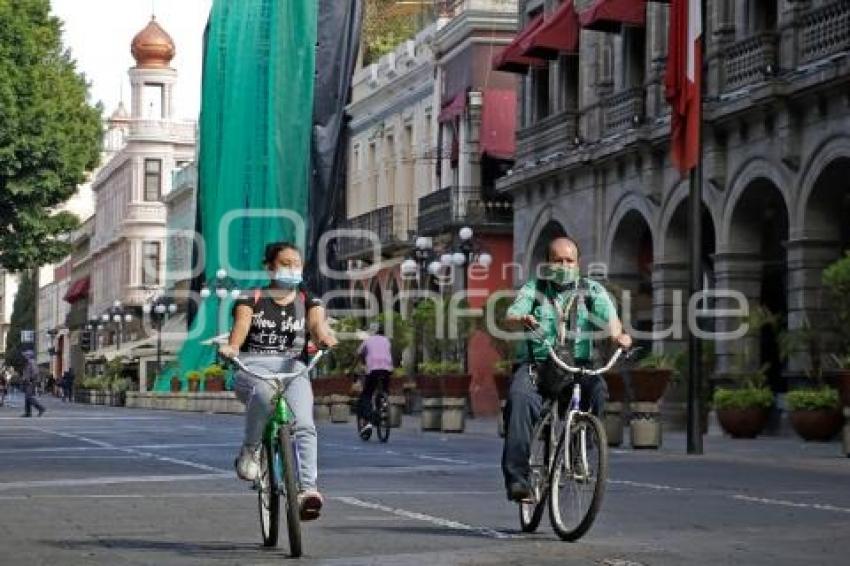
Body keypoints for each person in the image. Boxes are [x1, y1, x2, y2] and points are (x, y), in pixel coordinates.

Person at [501, 237, 631, 502]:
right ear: (547, 264)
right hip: (537, 367)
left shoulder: (592, 290)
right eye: (557, 260)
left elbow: (612, 321)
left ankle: (578, 448)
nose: (564, 265)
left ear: (578, 263)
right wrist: (522, 318)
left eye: (569, 260)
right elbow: (512, 316)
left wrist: (619, 337)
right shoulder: (534, 289)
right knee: (520, 401)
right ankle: (518, 479)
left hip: (576, 368)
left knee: (597, 391)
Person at [218, 241, 337, 521]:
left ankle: (307, 490)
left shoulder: (309, 300)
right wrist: (232, 347)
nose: (292, 269)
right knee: (264, 392)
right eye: (285, 263)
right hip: (253, 367)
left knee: (305, 425)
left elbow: (317, 325)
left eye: (296, 264)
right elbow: (242, 327)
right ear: (270, 268)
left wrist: (324, 338)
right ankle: (250, 449)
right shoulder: (252, 298)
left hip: (293, 368)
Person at [355, 324, 394, 437]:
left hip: (373, 370)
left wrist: (353, 368)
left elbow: (358, 354)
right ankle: (383, 405)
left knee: (366, 395)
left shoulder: (367, 340)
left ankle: (368, 421)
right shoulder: (387, 340)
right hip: (387, 370)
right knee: (384, 391)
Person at [21, 351, 46, 418]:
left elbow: (35, 372)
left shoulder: (31, 362)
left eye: (26, 355)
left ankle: (41, 408)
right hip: (28, 382)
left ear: (29, 355)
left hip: (31, 382)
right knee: (27, 398)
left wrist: (31, 380)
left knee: (29, 397)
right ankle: (28, 413)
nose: (25, 356)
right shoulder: (28, 363)